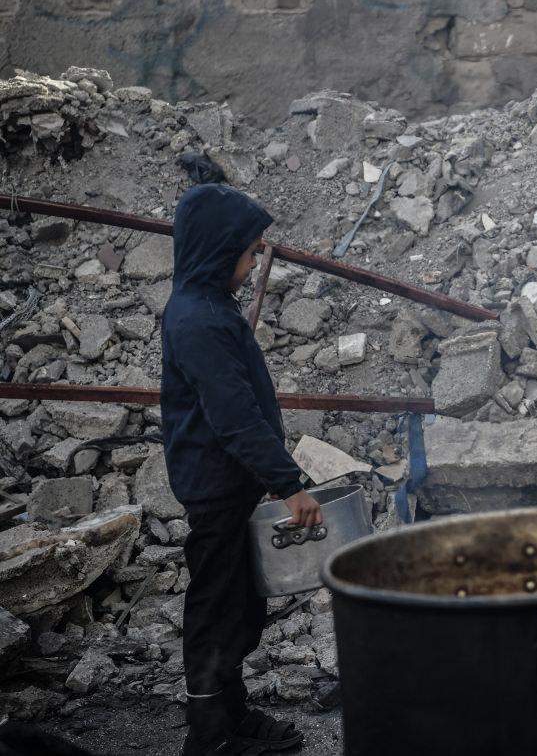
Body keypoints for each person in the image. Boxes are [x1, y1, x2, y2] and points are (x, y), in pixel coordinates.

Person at [160, 183, 322, 755]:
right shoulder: (199, 321)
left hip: (227, 483)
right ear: (216, 250)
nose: (256, 264)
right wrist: (289, 484)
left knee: (237, 605)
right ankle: (209, 737)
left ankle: (231, 712)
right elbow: (233, 417)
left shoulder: (207, 308)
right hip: (215, 484)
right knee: (216, 608)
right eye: (251, 252)